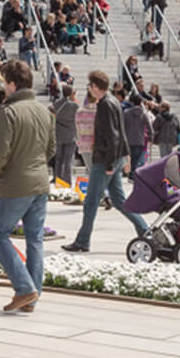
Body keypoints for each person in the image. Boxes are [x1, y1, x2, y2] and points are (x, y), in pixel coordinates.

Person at [0, 60, 55, 314]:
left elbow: (0, 152)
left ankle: (25, 288)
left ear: (13, 84)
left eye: (4, 82)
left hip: (16, 183)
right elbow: (51, 149)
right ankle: (32, 296)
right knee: (35, 239)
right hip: (40, 181)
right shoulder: (44, 111)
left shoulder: (10, 111)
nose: (3, 87)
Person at [61, 71, 148, 252]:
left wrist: (109, 163)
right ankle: (145, 230)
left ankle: (82, 241)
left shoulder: (105, 105)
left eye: (89, 86)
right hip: (114, 157)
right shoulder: (113, 101)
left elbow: (112, 135)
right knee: (118, 200)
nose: (89, 90)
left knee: (91, 201)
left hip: (105, 159)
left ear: (94, 87)